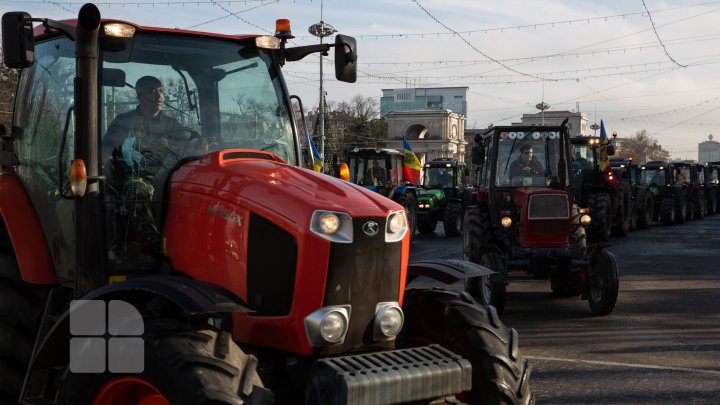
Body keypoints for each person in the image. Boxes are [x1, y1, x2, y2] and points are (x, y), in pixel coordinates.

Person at [103, 76, 203, 261]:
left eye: (161, 91)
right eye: (152, 91)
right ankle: (152, 247)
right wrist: (107, 161)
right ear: (140, 96)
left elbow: (187, 146)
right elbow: (106, 151)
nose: (158, 95)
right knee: (136, 191)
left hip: (167, 178)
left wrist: (199, 146)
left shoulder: (172, 124)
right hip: (136, 178)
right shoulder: (124, 122)